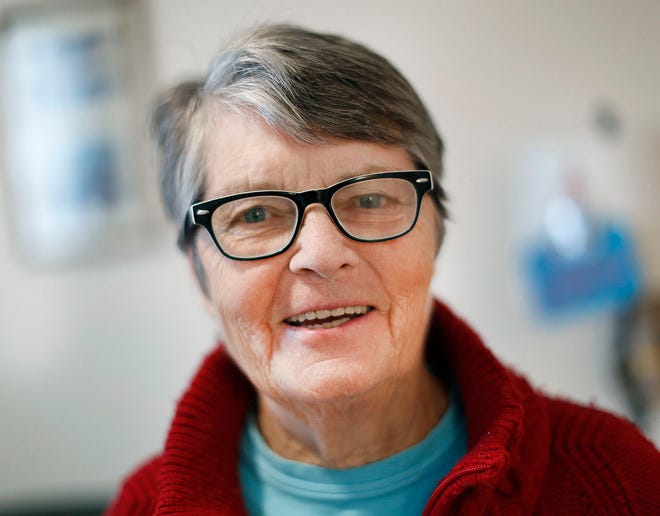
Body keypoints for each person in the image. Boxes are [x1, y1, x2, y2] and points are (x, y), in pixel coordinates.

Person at [106, 24, 660, 515]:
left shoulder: (617, 480)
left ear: (435, 235)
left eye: (369, 200)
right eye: (254, 213)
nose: (321, 255)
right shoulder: (139, 508)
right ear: (199, 275)